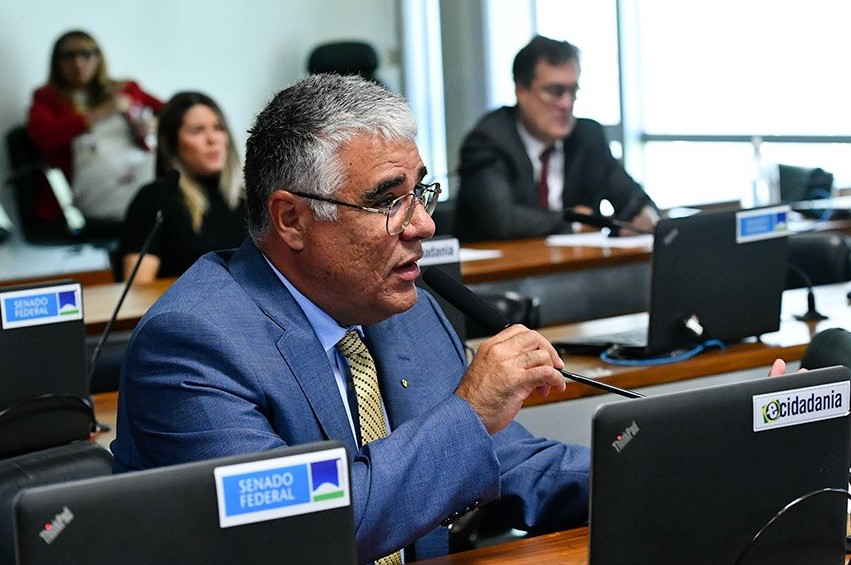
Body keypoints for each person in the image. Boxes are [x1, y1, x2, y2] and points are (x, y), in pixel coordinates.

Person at [111, 74, 592, 563]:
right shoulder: (193, 344)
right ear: (292, 219)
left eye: (420, 191)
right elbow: (305, 533)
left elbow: (508, 460)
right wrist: (469, 412)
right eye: (386, 201)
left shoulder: (404, 309)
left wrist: (651, 469)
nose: (423, 224)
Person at [454, 35, 659, 243]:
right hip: (499, 270)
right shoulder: (488, 140)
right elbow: (501, 219)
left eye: (573, 91)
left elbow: (631, 196)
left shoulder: (587, 136)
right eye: (555, 91)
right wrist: (573, 220)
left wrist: (645, 213)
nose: (566, 104)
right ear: (521, 90)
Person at [27, 30, 163, 235]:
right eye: (68, 56)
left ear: (98, 58)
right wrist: (99, 113)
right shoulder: (46, 99)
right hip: (92, 189)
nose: (78, 62)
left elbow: (176, 114)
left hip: (138, 174)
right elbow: (45, 138)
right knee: (161, 206)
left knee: (168, 170)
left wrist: (152, 123)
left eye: (86, 54)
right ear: (57, 62)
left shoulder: (126, 89)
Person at [119, 91, 246, 284]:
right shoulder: (155, 199)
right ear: (170, 143)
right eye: (197, 131)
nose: (212, 139)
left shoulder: (249, 199)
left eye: (218, 128)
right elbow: (138, 287)